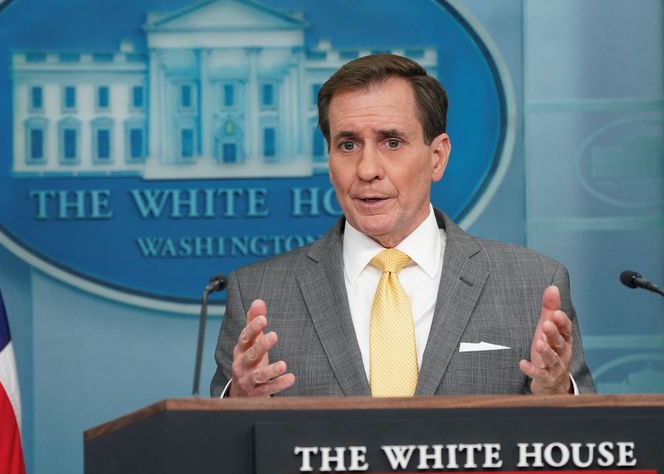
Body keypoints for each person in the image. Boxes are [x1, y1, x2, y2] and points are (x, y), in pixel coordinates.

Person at [210, 54, 595, 398]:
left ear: (437, 157)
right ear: (329, 160)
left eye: (391, 142)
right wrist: (241, 402)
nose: (367, 170)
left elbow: (593, 446)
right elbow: (222, 458)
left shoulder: (532, 284)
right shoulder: (259, 295)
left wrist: (558, 393)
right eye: (348, 145)